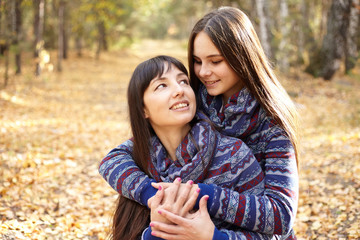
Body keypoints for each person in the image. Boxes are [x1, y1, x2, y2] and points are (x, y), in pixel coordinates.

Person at [99, 6, 299, 239]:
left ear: (242, 58)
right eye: (197, 61)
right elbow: (119, 156)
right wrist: (152, 194)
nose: (203, 72)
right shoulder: (193, 103)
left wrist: (198, 196)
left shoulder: (271, 122)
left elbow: (280, 216)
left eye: (215, 61)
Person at [109, 55, 273, 240]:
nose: (179, 90)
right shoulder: (140, 161)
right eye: (161, 85)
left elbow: (269, 235)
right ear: (143, 110)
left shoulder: (233, 155)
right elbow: (109, 161)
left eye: (183, 81)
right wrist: (157, 230)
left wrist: (213, 237)